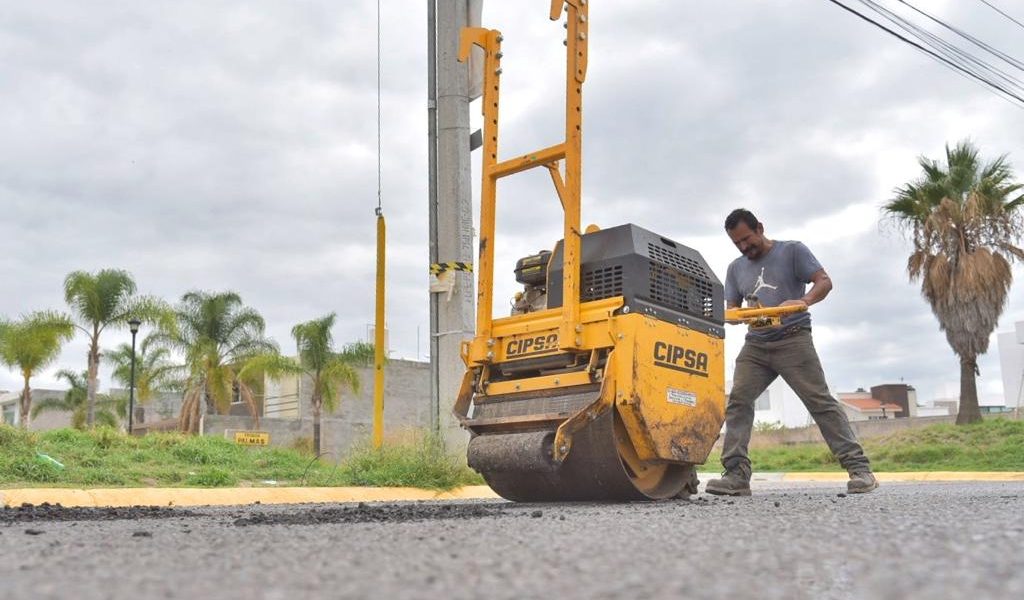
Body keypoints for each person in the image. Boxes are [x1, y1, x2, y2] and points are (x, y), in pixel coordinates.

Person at [706, 208, 878, 496]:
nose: (744, 247)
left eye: (747, 239)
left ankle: (860, 470)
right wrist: (733, 315)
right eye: (737, 243)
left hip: (793, 338)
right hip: (756, 344)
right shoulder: (735, 268)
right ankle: (736, 475)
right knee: (738, 401)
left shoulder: (792, 251)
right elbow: (733, 307)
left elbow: (824, 281)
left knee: (820, 403)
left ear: (760, 228)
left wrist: (803, 301)